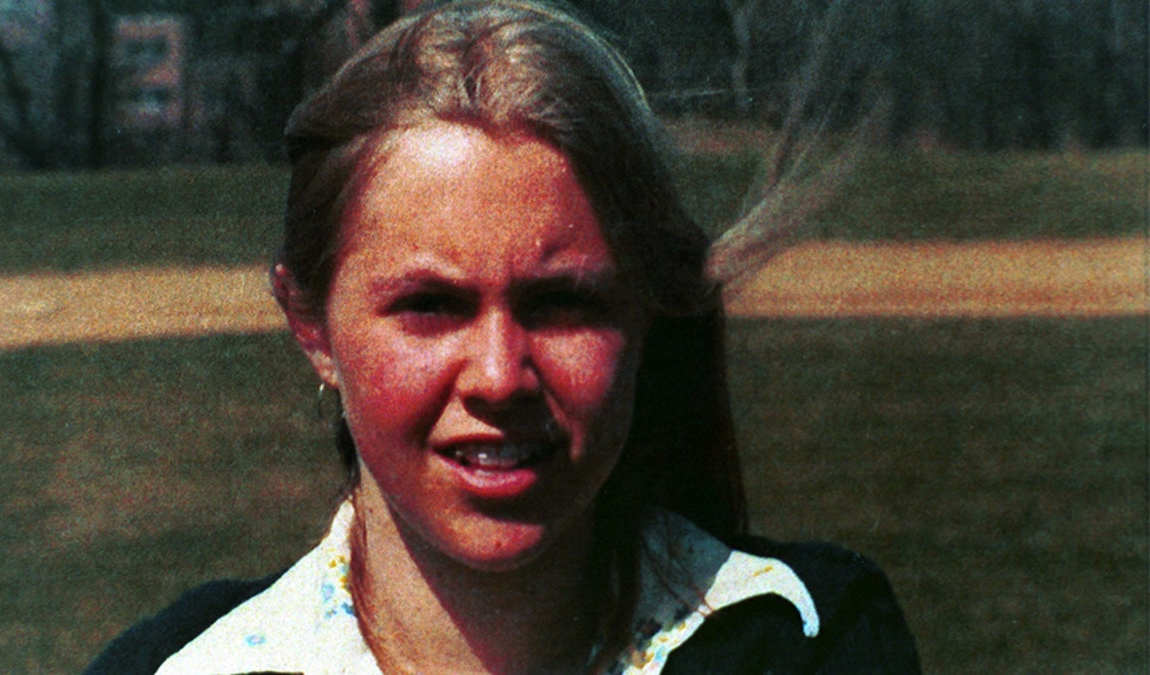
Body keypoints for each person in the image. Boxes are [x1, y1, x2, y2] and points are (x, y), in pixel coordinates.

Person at [87, 1, 919, 673]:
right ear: (312, 325)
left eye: (561, 304)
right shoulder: (183, 667)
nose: (498, 376)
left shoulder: (806, 639)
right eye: (430, 304)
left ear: (646, 310)